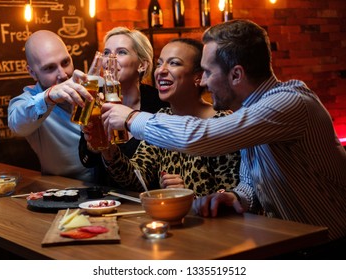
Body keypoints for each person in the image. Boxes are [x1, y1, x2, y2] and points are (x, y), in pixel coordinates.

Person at [101, 19, 346, 253]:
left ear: (236, 75)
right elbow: (252, 182)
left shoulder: (287, 103)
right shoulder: (251, 112)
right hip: (293, 241)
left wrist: (131, 117)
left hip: (330, 246)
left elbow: (202, 136)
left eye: (207, 72)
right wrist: (236, 197)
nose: (204, 81)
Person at [99, 38, 240, 195]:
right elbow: (137, 179)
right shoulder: (163, 117)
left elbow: (232, 196)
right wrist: (108, 150)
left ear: (198, 77)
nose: (161, 71)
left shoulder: (221, 123)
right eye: (159, 64)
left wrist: (188, 194)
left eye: (174, 63)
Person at [79, 27, 168, 187]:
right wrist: (94, 145)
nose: (110, 59)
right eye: (106, 53)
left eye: (121, 52)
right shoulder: (94, 98)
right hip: (104, 199)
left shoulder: (159, 103)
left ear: (142, 65)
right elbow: (86, 161)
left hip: (148, 198)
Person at [8, 30, 94, 182]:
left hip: (111, 188)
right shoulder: (30, 100)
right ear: (33, 73)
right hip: (63, 191)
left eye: (65, 62)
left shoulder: (89, 86)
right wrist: (49, 97)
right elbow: (16, 124)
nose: (63, 74)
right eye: (49, 68)